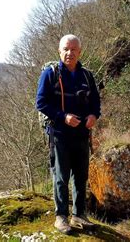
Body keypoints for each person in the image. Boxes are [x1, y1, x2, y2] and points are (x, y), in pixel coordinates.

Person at [36, 34, 101, 234]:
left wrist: (93, 115)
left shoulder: (87, 76)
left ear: (80, 52)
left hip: (82, 134)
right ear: (59, 51)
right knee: (61, 177)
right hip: (59, 134)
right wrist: (63, 117)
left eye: (73, 49)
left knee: (81, 177)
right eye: (66, 49)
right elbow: (41, 102)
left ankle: (79, 215)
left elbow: (95, 102)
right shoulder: (51, 73)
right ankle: (61, 217)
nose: (69, 53)